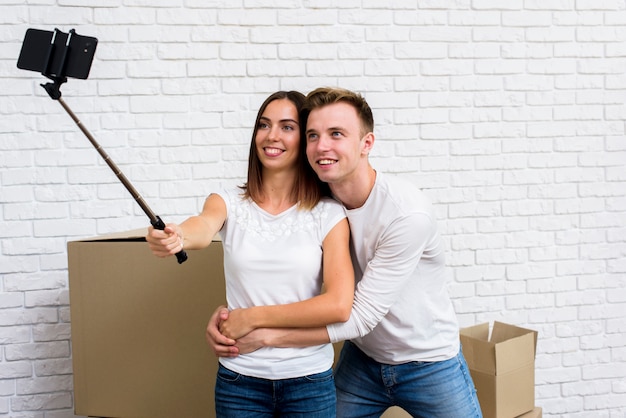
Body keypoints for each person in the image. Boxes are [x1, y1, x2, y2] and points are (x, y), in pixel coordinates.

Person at [208, 87, 483, 418]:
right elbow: (270, 265)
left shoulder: (407, 214)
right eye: (313, 135)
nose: (322, 146)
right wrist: (226, 319)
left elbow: (360, 315)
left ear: (366, 144)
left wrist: (260, 332)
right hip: (363, 358)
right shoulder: (318, 199)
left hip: (427, 360)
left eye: (336, 134)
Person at [146, 90, 354, 418]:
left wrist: (251, 318)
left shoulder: (328, 214)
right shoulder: (227, 201)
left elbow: (339, 305)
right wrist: (179, 235)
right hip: (239, 382)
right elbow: (201, 226)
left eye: (287, 127)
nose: (272, 136)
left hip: (309, 382)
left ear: (306, 138)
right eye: (264, 125)